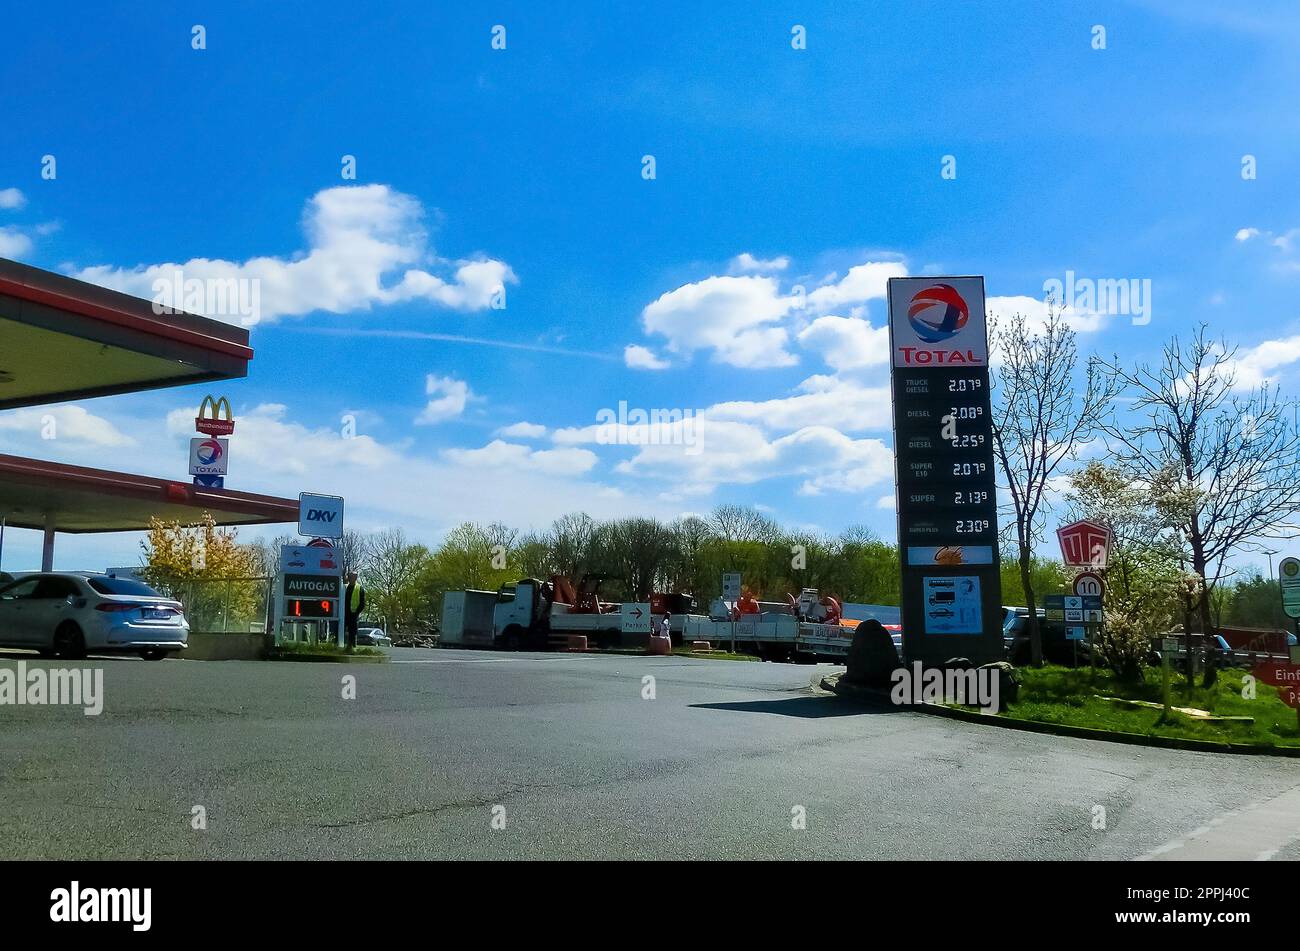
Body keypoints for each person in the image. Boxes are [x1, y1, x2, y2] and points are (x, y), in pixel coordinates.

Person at [344, 571, 366, 648]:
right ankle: (338, 646)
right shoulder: (344, 587)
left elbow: (362, 603)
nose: (350, 578)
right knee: (339, 629)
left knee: (352, 632)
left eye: (352, 577)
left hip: (353, 614)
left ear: (355, 578)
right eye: (349, 576)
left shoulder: (359, 588)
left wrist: (357, 612)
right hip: (343, 613)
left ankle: (352, 647)